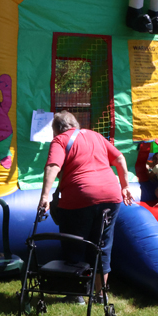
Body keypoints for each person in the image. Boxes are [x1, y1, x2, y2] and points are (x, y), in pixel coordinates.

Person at [38, 111, 134, 304]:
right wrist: (125, 186)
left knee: (74, 243)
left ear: (56, 129)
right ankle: (100, 295)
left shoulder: (60, 140)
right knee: (102, 245)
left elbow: (53, 166)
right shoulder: (95, 136)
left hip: (80, 197)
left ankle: (76, 294)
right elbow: (120, 159)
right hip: (110, 196)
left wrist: (45, 196)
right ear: (76, 124)